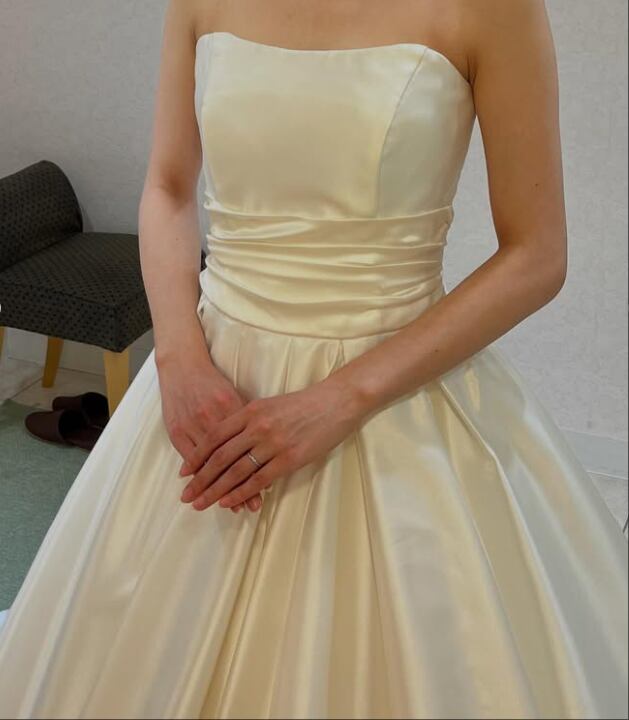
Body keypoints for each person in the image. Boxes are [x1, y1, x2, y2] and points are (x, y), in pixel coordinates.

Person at [0, 0, 627, 717]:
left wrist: (339, 400)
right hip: (209, 387)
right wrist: (176, 360)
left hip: (389, 394)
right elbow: (168, 186)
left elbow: (536, 255)